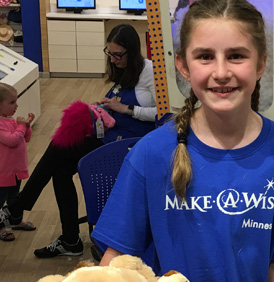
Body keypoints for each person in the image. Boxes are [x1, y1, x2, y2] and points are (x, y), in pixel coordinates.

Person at [92, 0, 274, 282]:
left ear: (261, 64)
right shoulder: (152, 153)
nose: (221, 71)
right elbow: (116, 258)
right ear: (182, 64)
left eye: (237, 55)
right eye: (205, 56)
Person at [0, 24, 157, 257]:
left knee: (59, 148)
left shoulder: (151, 71)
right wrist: (104, 105)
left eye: (118, 55)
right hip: (113, 133)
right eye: (110, 53)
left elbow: (162, 113)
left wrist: (126, 109)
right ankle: (69, 240)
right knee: (61, 169)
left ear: (132, 51)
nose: (113, 60)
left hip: (132, 143)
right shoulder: (123, 70)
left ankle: (17, 208)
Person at [0, 83, 35, 242]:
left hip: (16, 170)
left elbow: (25, 138)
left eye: (16, 101)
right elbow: (12, 140)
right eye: (12, 102)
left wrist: (26, 127)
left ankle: (15, 220)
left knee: (16, 198)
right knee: (1, 200)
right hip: (3, 172)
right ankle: (1, 226)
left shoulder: (11, 120)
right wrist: (21, 127)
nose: (16, 105)